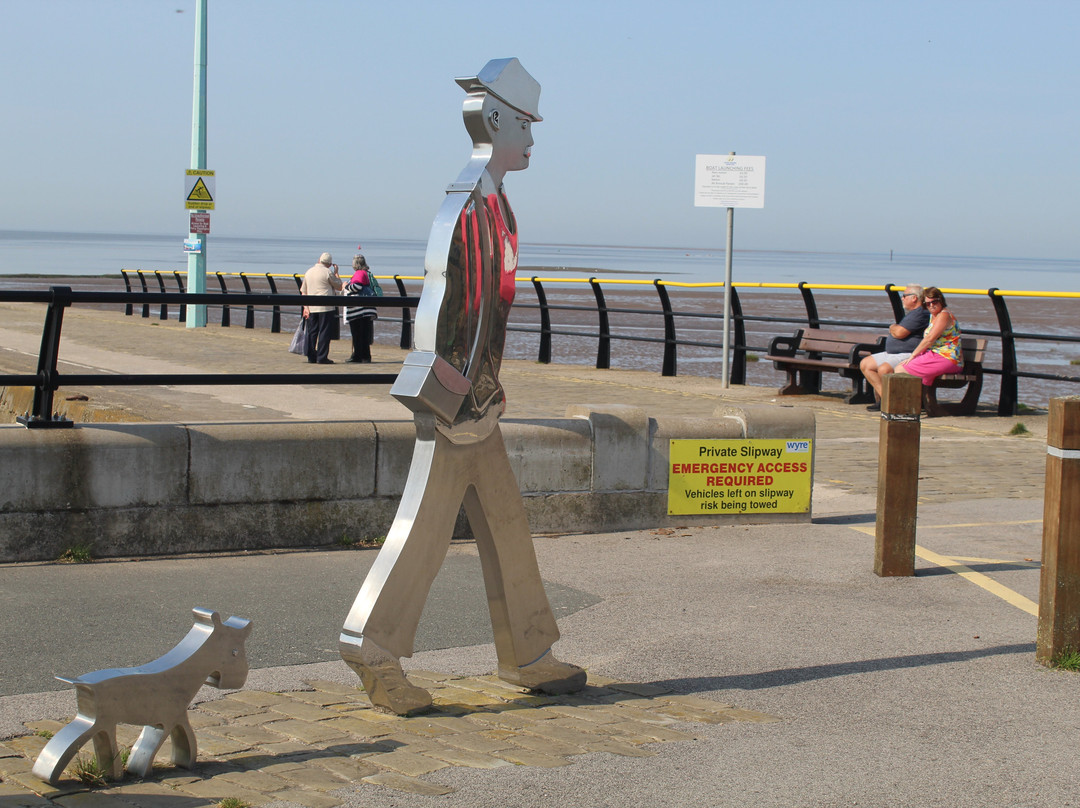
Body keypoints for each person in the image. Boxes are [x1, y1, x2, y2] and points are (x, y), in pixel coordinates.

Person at [339, 58, 585, 715]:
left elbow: (482, 308)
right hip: (457, 402)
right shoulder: (471, 200)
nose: (533, 138)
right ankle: (373, 645)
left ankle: (528, 654)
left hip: (478, 398)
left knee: (506, 524)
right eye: (527, 124)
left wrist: (482, 387)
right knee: (422, 528)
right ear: (498, 120)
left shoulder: (490, 199)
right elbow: (449, 301)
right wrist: (454, 388)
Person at [859, 284, 929, 411]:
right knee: (865, 364)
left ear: (914, 298)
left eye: (904, 296)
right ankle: (886, 399)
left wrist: (892, 327)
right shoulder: (912, 314)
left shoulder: (921, 314)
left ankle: (891, 402)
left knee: (884, 369)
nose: (902, 298)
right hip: (895, 353)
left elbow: (900, 332)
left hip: (909, 353)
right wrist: (895, 329)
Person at [895, 287, 962, 387]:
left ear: (941, 300)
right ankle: (920, 400)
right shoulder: (933, 315)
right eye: (927, 303)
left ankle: (912, 401)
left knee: (901, 369)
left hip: (947, 357)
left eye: (934, 302)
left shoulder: (944, 315)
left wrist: (913, 355)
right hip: (935, 355)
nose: (931, 305)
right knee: (900, 367)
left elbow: (929, 339)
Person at [300, 252, 342, 364]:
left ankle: (311, 355)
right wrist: (336, 273)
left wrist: (306, 307)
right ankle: (322, 357)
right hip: (326, 307)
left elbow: (303, 291)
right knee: (324, 332)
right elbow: (339, 286)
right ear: (329, 264)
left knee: (312, 332)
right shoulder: (327, 272)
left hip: (311, 306)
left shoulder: (309, 271)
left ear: (319, 260)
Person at [342, 254, 377, 363]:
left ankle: (358, 356)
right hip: (366, 309)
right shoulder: (366, 273)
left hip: (359, 310)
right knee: (364, 333)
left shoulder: (358, 274)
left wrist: (346, 286)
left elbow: (357, 286)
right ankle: (365, 356)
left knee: (357, 333)